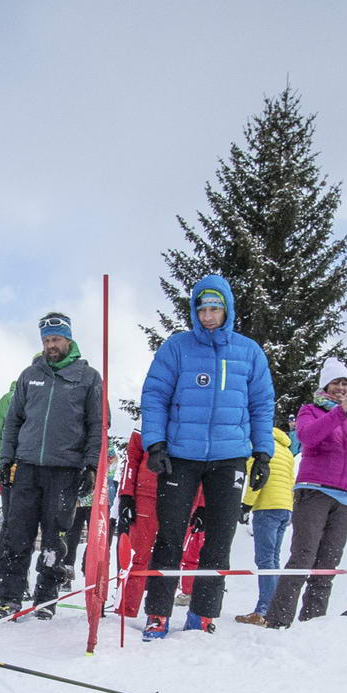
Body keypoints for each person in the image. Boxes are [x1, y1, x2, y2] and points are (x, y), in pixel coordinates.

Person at [138, 274, 276, 640]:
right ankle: (158, 613)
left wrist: (263, 454)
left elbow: (262, 404)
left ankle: (203, 614)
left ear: (226, 309)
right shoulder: (177, 348)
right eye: (202, 309)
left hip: (230, 457)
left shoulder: (248, 352)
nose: (208, 315)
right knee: (169, 536)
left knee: (219, 539)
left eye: (214, 308)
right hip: (180, 455)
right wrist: (156, 444)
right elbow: (154, 396)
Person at [0, 312, 105, 621]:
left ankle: (46, 599)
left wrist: (90, 466)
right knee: (17, 535)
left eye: (56, 339)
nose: (50, 345)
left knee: (56, 538)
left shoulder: (89, 377)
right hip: (27, 467)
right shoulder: (30, 374)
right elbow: (13, 421)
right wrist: (7, 459)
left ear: (68, 339)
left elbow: (97, 425)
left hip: (65, 470)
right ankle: (10, 598)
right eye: (46, 340)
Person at [265, 362, 347, 628]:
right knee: (303, 557)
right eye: (336, 383)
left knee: (327, 564)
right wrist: (340, 412)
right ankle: (278, 620)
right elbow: (307, 437)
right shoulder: (310, 410)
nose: (342, 388)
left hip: (346, 496)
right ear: (326, 386)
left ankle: (314, 623)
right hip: (314, 491)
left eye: (346, 383)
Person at [232, 425, 295, 625]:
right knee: (274, 559)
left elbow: (256, 479)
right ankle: (274, 608)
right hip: (285, 507)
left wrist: (245, 506)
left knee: (265, 560)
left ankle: (264, 609)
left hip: (267, 506)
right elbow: (290, 479)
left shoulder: (259, 446)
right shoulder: (286, 450)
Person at [113, 432, 160, 619]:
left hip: (180, 494)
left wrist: (200, 503)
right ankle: (126, 609)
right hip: (146, 493)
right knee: (136, 556)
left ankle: (159, 615)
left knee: (170, 556)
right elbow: (132, 456)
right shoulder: (150, 412)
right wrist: (126, 495)